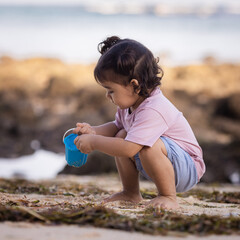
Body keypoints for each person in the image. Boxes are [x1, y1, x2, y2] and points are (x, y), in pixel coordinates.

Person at [73, 36, 205, 210]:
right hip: (164, 164)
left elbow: (129, 149)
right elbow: (117, 127)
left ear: (134, 85)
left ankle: (168, 196)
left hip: (187, 169)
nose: (107, 96)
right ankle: (130, 193)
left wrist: (95, 143)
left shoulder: (154, 108)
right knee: (121, 135)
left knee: (146, 146)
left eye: (111, 90)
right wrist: (93, 132)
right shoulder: (128, 104)